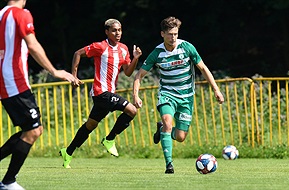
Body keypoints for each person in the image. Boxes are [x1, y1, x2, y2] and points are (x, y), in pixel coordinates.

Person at [133, 16, 224, 174]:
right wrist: (136, 95)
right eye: (170, 34)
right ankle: (169, 165)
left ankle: (161, 129)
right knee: (168, 123)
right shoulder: (157, 53)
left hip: (186, 97)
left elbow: (203, 68)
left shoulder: (187, 48)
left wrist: (216, 89)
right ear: (162, 34)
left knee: (181, 136)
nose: (173, 37)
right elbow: (139, 76)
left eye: (175, 33)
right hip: (167, 95)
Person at [0, 0, 75, 189]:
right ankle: (8, 182)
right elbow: (32, 45)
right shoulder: (21, 14)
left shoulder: (1, 15)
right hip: (13, 81)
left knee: (34, 129)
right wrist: (55, 71)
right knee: (33, 130)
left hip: (7, 80)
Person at [59, 18, 142, 168]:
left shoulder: (124, 49)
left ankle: (68, 152)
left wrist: (135, 58)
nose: (118, 33)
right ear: (107, 32)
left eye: (120, 30)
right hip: (100, 92)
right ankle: (109, 139)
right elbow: (78, 53)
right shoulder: (100, 46)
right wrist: (74, 76)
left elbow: (128, 72)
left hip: (108, 94)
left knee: (90, 125)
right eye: (114, 30)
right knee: (132, 110)